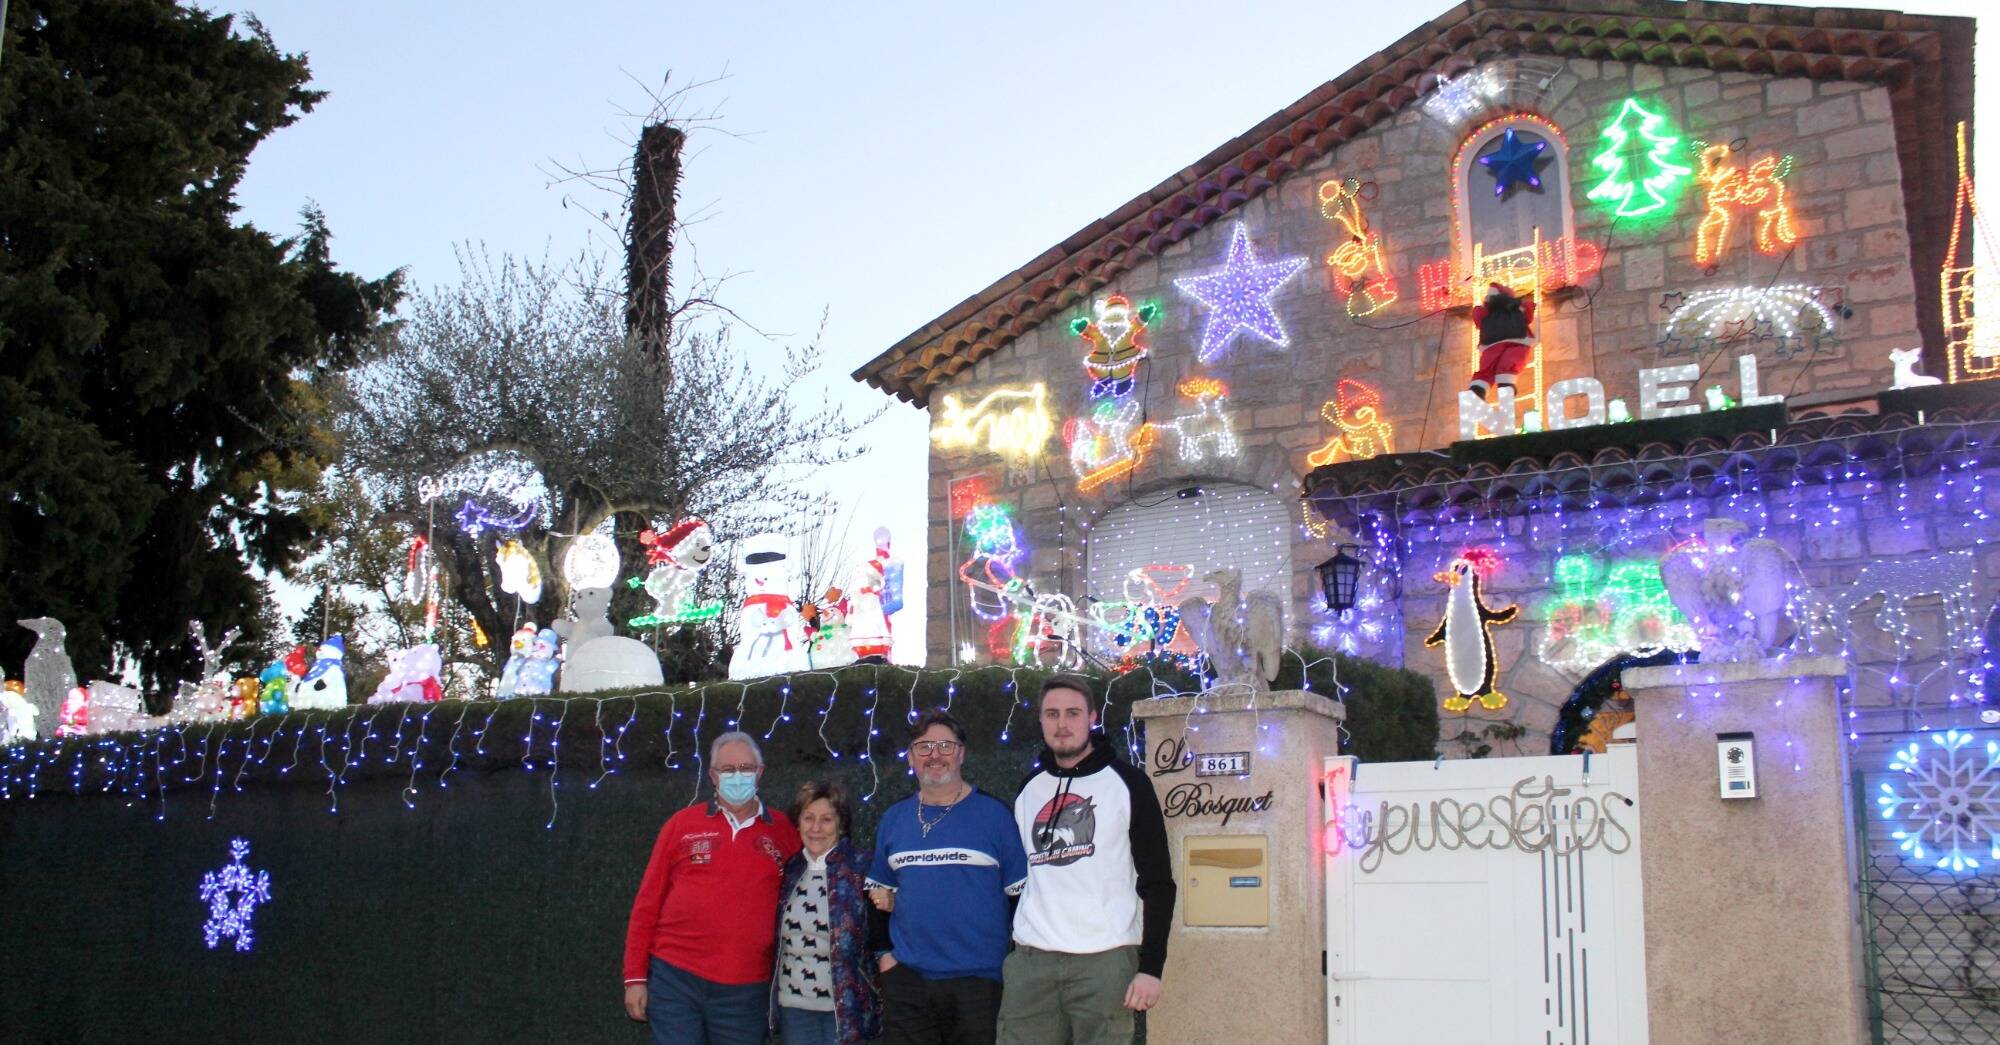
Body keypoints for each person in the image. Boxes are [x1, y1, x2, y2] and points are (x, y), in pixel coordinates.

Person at [997, 674, 1175, 1045]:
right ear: (1041, 720)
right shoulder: (1029, 788)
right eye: (1052, 714)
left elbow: (1158, 882)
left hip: (1105, 962)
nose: (1062, 724)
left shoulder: (1128, 784)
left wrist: (1151, 969)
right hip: (1033, 964)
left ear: (1092, 717)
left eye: (1073, 713)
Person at [623, 731, 801, 1044]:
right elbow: (647, 903)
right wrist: (635, 978)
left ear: (759, 773)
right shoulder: (681, 825)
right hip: (675, 979)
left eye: (746, 768)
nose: (737, 776)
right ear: (712, 776)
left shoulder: (784, 832)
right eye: (727, 769)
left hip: (747, 989)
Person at [866, 711, 1027, 1045]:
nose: (934, 755)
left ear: (962, 753)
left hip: (978, 984)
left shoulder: (995, 816)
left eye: (945, 746)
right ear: (910, 757)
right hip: (907, 981)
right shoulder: (894, 819)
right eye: (923, 747)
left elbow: (1020, 899)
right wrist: (885, 957)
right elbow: (877, 894)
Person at [773, 778, 881, 1045]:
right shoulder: (790, 871)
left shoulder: (864, 868)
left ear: (841, 825)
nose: (816, 828)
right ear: (797, 823)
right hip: (794, 1009)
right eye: (808, 818)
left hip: (847, 1010)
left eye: (827, 820)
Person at [1468, 281, 1537, 400]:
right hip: (1516, 340)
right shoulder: (1518, 308)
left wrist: (1479, 308)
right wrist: (1529, 302)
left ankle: (1478, 387)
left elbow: (1478, 317)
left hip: (1491, 344)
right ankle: (1506, 383)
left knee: (1487, 367)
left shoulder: (1487, 312)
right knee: (1511, 360)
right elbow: (1528, 313)